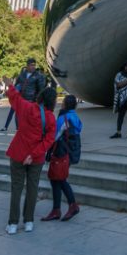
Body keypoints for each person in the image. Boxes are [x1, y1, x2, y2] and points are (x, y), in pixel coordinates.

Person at [4, 84, 57, 234]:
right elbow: (49, 140)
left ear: (40, 97)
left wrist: (10, 85)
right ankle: (28, 221)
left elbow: (14, 97)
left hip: (18, 152)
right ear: (52, 101)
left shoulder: (26, 107)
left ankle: (13, 223)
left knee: (16, 188)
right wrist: (33, 155)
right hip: (36, 157)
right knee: (32, 188)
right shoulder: (50, 118)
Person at [43, 94, 83, 222]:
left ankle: (71, 205)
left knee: (59, 179)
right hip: (71, 152)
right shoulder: (75, 117)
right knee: (57, 179)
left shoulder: (63, 117)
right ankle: (57, 209)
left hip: (61, 152)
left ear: (65, 104)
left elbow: (54, 136)